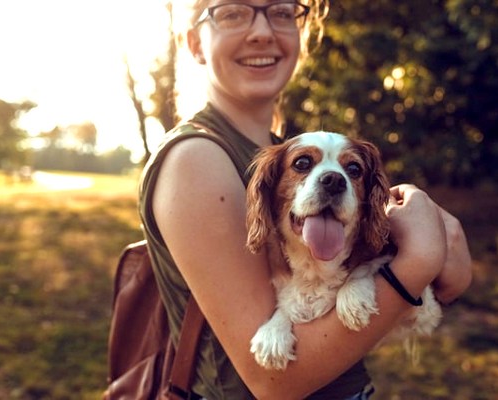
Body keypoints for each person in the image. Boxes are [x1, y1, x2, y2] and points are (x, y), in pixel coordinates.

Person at [138, 1, 473, 399]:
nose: (262, 31)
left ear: (302, 33)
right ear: (194, 42)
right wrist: (418, 262)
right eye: (232, 12)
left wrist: (444, 255)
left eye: (281, 11)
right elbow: (273, 382)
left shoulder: (286, 151)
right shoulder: (197, 157)